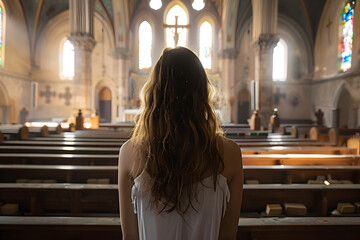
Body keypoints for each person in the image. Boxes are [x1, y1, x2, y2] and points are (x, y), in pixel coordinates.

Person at [118, 47, 243, 240]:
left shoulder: (130, 154)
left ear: (155, 93)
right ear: (202, 92)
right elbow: (228, 236)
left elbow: (130, 237)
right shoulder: (231, 154)